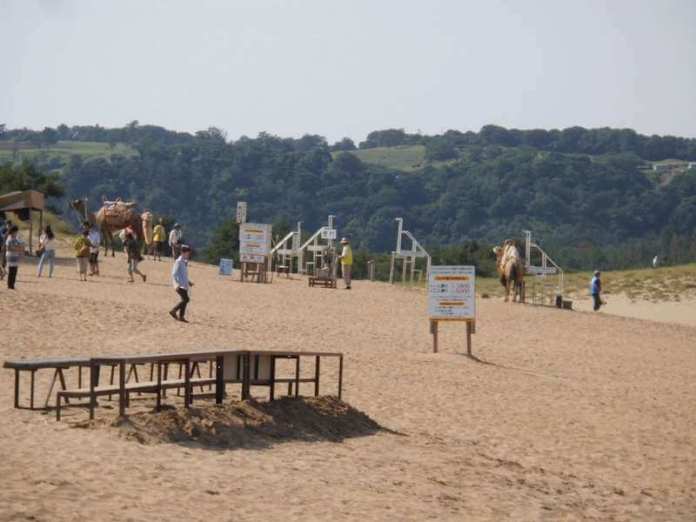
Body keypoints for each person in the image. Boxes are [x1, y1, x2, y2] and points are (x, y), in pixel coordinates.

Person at [170, 245, 194, 322]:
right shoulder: (178, 261)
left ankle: (181, 316)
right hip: (179, 285)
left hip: (184, 284)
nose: (188, 255)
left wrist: (188, 282)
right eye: (187, 253)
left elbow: (183, 274)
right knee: (186, 299)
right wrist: (176, 284)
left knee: (185, 300)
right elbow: (174, 273)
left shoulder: (183, 262)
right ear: (183, 253)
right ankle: (173, 310)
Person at [5, 225, 24, 289]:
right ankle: (9, 285)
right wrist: (16, 249)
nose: (16, 233)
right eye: (16, 231)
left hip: (15, 256)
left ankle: (12, 285)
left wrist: (19, 249)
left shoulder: (16, 238)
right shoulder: (9, 238)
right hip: (10, 256)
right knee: (11, 271)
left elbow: (20, 245)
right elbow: (8, 248)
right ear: (13, 231)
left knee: (15, 271)